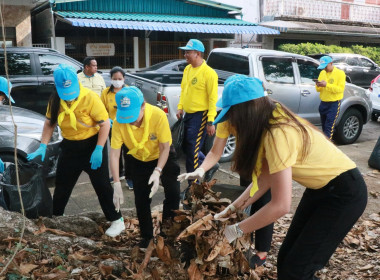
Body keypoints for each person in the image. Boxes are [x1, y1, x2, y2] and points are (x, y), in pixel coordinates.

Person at [179, 74, 367, 279]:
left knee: (297, 270)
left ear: (246, 112)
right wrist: (231, 209)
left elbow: (280, 205)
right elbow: (264, 180)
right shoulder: (261, 120)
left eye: (232, 115)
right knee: (286, 262)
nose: (230, 123)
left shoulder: (278, 132)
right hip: (319, 190)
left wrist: (235, 230)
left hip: (344, 194)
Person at [27, 64, 125, 237]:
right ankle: (57, 217)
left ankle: (117, 220)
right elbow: (50, 123)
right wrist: (43, 145)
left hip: (93, 144)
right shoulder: (55, 99)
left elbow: (104, 125)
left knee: (101, 184)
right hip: (70, 146)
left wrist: (99, 149)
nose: (69, 96)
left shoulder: (90, 98)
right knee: (62, 185)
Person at [110, 86, 180, 248]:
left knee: (174, 193)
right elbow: (114, 154)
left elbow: (165, 148)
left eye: (133, 115)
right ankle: (147, 237)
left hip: (163, 155)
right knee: (141, 199)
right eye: (126, 116)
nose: (131, 121)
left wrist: (157, 171)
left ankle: (167, 233)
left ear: (143, 105)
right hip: (138, 159)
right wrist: (116, 183)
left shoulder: (157, 115)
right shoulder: (120, 120)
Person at [176, 39, 219, 188]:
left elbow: (213, 99)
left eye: (188, 52)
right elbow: (183, 90)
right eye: (185, 52)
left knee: (192, 153)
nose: (185, 54)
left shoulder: (209, 73)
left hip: (201, 115)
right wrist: (180, 107)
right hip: (188, 114)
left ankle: (193, 186)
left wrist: (210, 121)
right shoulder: (188, 69)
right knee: (187, 148)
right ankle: (209, 164)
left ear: (198, 53)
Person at [100, 66, 133, 190]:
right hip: (113, 127)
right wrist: (106, 119)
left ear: (124, 79)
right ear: (111, 79)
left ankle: (130, 178)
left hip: (127, 126)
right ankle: (118, 174)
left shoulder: (130, 91)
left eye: (120, 78)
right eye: (115, 79)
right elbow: (101, 110)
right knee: (115, 151)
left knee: (128, 152)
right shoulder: (105, 93)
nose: (117, 81)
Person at [315, 55, 346, 139]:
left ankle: (327, 147)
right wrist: (318, 85)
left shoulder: (340, 73)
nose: (324, 69)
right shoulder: (322, 72)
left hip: (333, 104)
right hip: (323, 103)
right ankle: (326, 144)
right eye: (323, 67)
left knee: (329, 128)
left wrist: (327, 85)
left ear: (331, 63)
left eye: (326, 66)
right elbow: (318, 90)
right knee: (324, 128)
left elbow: (340, 89)